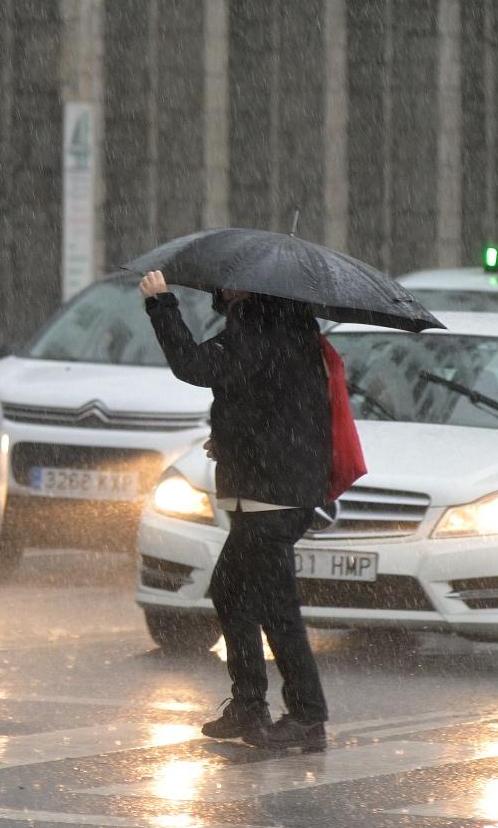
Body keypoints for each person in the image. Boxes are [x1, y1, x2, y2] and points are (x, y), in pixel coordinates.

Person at [140, 269, 331, 752]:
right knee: (232, 590)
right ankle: (250, 703)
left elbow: (195, 366)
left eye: (226, 284)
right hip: (271, 487)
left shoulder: (261, 327)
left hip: (273, 494)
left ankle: (307, 716)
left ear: (248, 289)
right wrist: (226, 438)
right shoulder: (282, 327)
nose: (217, 291)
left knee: (275, 606)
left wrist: (161, 304)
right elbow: (266, 403)